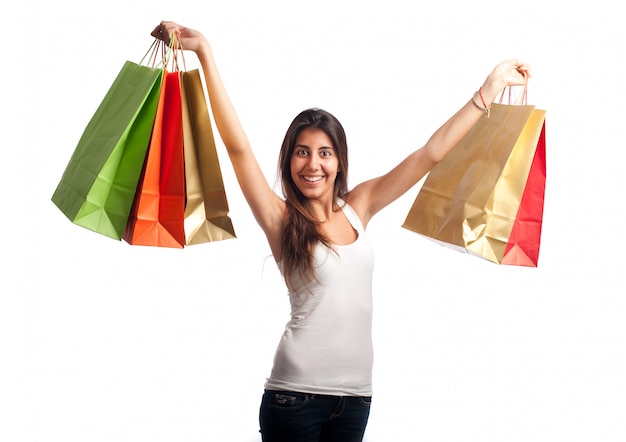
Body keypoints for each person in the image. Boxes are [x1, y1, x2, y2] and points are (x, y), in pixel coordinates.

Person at [152, 20, 531, 442]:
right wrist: (204, 51)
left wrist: (490, 88)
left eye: (324, 153)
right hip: (293, 399)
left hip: (356, 399)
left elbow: (431, 153)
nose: (313, 165)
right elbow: (236, 145)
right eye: (302, 152)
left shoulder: (360, 207)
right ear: (289, 161)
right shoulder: (280, 218)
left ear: (338, 161)